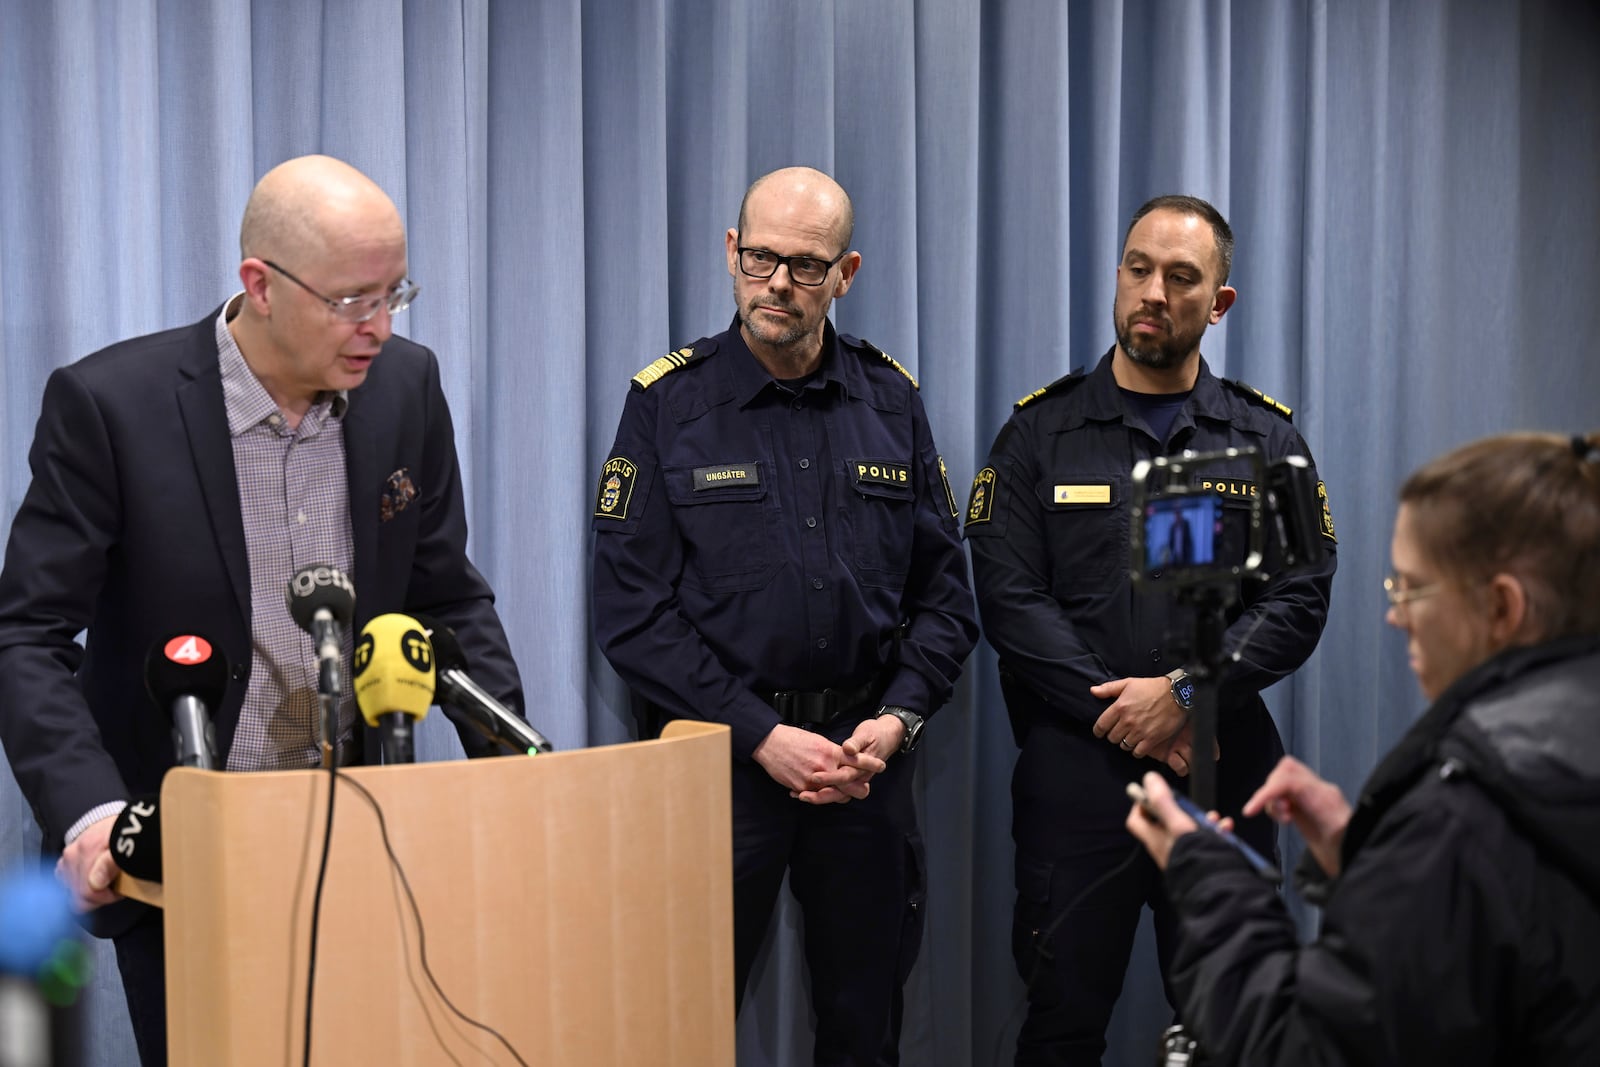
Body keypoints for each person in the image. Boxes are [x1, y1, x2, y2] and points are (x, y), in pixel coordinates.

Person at [0, 155, 526, 1066]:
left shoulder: (405, 386)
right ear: (261, 285)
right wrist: (91, 816)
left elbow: (445, 595)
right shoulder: (111, 406)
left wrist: (516, 758)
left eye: (395, 292)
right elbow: (27, 636)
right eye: (354, 300)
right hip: (183, 844)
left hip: (364, 834)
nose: (380, 326)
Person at [591, 166, 977, 1064]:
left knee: (864, 1027)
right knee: (680, 1027)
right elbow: (632, 613)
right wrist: (763, 734)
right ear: (731, 253)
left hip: (862, 766)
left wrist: (899, 717)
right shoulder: (667, 404)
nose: (777, 284)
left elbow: (945, 598)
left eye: (806, 266)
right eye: (761, 257)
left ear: (846, 274)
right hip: (719, 767)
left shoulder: (891, 401)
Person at [965, 194, 1337, 1065]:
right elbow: (1011, 601)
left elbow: (1299, 597)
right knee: (1060, 1022)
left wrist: (1182, 698)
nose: (1153, 292)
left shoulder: (1266, 439)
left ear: (1220, 303)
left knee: (1232, 1025)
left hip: (1221, 768)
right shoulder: (1038, 435)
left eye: (1181, 277)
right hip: (1077, 779)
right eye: (1139, 268)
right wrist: (1128, 714)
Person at [1128, 430, 1600, 1065]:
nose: (1395, 615)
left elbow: (1303, 1049)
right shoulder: (1549, 767)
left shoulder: (1464, 819)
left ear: (1501, 606)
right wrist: (1364, 854)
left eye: (1410, 587)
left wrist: (1210, 879)